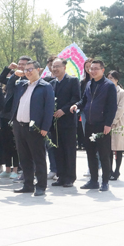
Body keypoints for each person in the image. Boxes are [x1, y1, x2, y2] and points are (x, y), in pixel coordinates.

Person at [71, 60, 117, 192]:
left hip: (102, 125)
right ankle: (93, 180)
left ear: (103, 70)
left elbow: (112, 107)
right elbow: (84, 100)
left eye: (96, 68)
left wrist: (108, 124)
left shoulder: (109, 85)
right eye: (91, 69)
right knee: (90, 154)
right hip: (89, 124)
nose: (93, 71)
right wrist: (77, 105)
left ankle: (105, 181)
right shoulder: (89, 84)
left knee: (104, 154)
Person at [11, 60, 55, 196]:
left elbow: (49, 109)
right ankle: (28, 184)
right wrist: (15, 75)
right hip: (19, 126)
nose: (28, 72)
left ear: (38, 70)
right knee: (24, 158)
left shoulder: (45, 86)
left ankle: (41, 186)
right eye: (26, 70)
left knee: (38, 158)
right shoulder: (22, 85)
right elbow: (9, 88)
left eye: (31, 69)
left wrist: (45, 127)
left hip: (35, 128)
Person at [49, 58, 81, 188]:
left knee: (69, 150)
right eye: (53, 66)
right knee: (57, 150)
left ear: (64, 67)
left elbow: (76, 98)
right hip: (54, 123)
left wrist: (64, 110)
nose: (55, 69)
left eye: (58, 66)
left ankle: (70, 177)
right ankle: (61, 176)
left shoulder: (72, 81)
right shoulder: (51, 83)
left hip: (68, 121)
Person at [0, 56, 31, 179]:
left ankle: (16, 169)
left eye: (24, 64)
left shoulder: (28, 80)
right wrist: (8, 69)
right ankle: (7, 168)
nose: (21, 66)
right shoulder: (14, 77)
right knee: (6, 142)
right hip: (6, 114)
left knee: (16, 144)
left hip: (18, 114)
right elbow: (1, 79)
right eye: (19, 63)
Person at [107, 70, 124, 180]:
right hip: (107, 122)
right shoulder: (106, 90)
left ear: (116, 79)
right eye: (108, 78)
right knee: (108, 148)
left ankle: (117, 170)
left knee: (118, 148)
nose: (109, 80)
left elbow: (121, 108)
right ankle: (109, 170)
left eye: (111, 78)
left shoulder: (122, 92)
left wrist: (113, 121)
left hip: (118, 121)